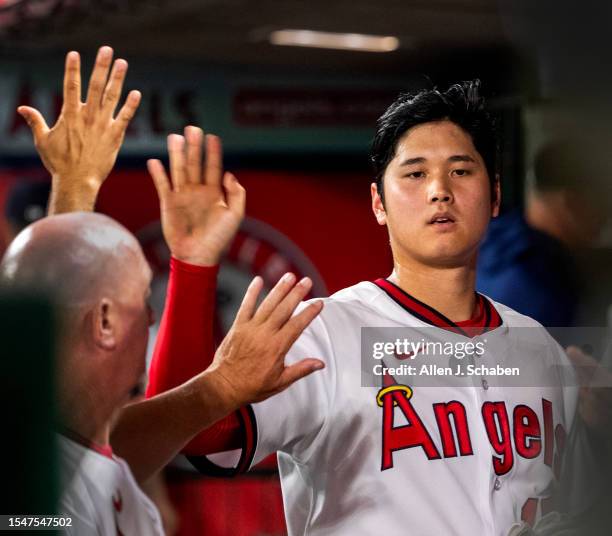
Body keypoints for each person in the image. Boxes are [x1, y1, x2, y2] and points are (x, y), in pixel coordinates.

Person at [144, 81, 587, 535]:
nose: (440, 190)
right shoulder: (327, 331)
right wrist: (193, 267)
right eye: (415, 173)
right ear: (379, 203)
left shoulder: (539, 347)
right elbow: (195, 435)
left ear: (493, 196)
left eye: (461, 171)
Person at [10, 46, 325, 534]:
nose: (151, 318)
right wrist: (220, 384)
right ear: (105, 321)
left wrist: (193, 271)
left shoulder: (89, 468)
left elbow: (102, 451)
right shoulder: (27, 503)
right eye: (142, 302)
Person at [477, 139, 610, 328]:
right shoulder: (547, 290)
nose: (606, 219)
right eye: (603, 203)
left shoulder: (490, 234)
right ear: (573, 203)